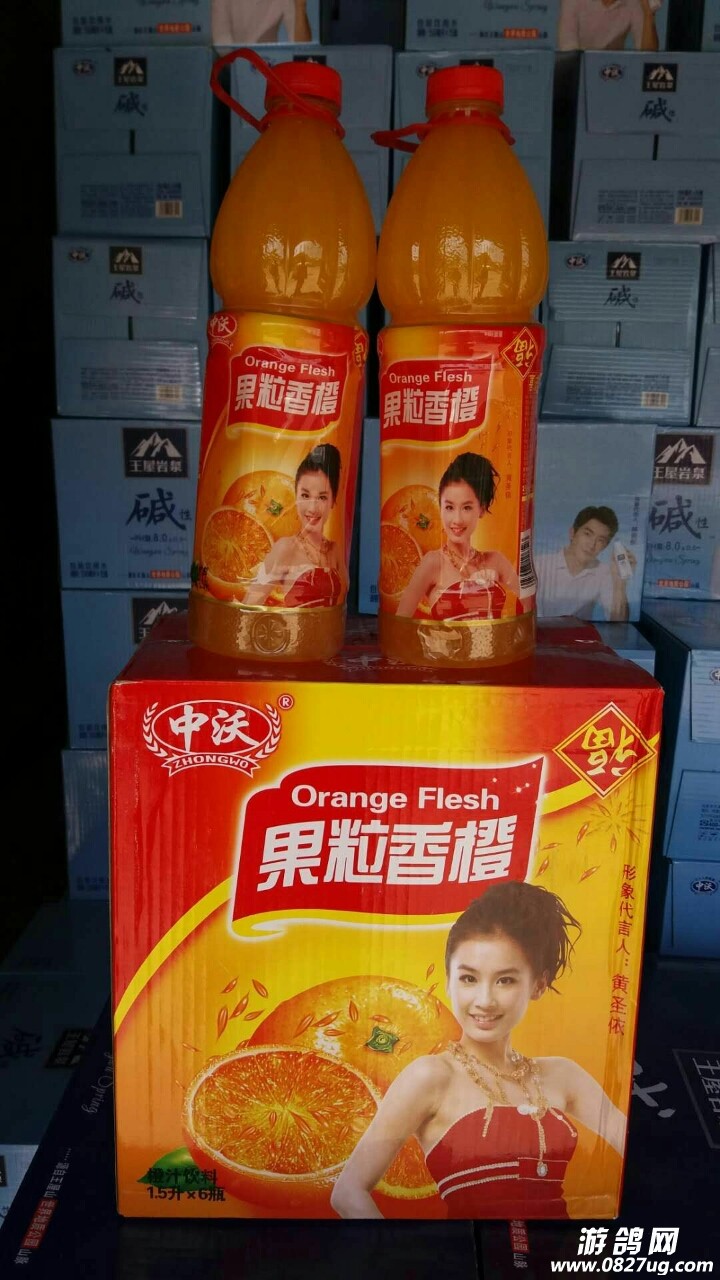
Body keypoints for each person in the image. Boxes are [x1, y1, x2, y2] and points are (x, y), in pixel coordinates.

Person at [331, 881, 626, 1220]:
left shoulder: (563, 1075)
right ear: (448, 981)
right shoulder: (431, 1076)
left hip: (561, 1251)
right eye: (469, 979)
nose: (484, 1001)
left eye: (505, 980)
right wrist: (404, 1252)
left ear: (538, 984)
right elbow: (348, 1192)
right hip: (468, 1250)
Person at [395, 453, 527, 620]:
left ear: (481, 509)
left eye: (467, 508)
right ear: (440, 507)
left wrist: (498, 587)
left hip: (495, 638)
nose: (456, 520)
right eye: (449, 507)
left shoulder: (496, 561)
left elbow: (526, 610)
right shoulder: (433, 563)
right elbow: (400, 622)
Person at [244, 444, 345, 608]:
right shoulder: (285, 548)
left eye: (322, 497)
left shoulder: (335, 551)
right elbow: (249, 606)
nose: (312, 508)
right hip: (291, 625)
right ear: (296, 496)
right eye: (305, 495)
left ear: (333, 501)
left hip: (329, 625)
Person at [535, 505, 636, 622]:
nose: (592, 545)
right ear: (572, 533)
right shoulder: (539, 564)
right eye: (587, 534)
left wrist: (620, 583)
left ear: (605, 546)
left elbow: (619, 624)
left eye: (600, 540)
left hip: (579, 632)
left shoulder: (604, 573)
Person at [557, 0, 661, 51]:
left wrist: (648, 14)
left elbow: (648, 57)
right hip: (581, 73)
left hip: (615, 73)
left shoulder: (633, 3)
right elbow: (568, 50)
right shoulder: (572, 1)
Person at [211, 0, 313, 46]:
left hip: (269, 65)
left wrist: (300, 6)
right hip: (231, 70)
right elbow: (222, 44)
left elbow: (301, 48)